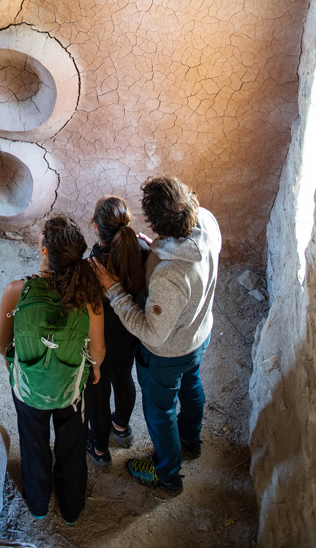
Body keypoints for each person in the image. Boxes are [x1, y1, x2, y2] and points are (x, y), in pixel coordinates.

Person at [94, 175, 220, 495]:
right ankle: (191, 442)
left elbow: (152, 332)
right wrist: (157, 249)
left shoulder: (168, 277)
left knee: (159, 410)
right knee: (192, 386)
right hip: (198, 333)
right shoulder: (206, 220)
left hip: (169, 353)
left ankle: (167, 473)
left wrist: (115, 292)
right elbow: (184, 256)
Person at [0, 216, 106, 525]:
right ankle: (71, 510)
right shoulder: (89, 298)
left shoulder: (16, 291)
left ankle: (38, 505)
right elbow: (97, 352)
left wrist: (16, 370)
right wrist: (93, 372)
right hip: (71, 390)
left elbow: (3, 344)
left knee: (34, 445)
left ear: (44, 251)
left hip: (28, 390)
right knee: (72, 447)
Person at [83, 195, 151, 467]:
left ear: (97, 228)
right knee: (123, 378)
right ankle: (121, 427)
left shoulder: (94, 265)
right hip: (130, 333)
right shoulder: (143, 249)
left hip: (101, 340)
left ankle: (99, 450)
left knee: (98, 392)